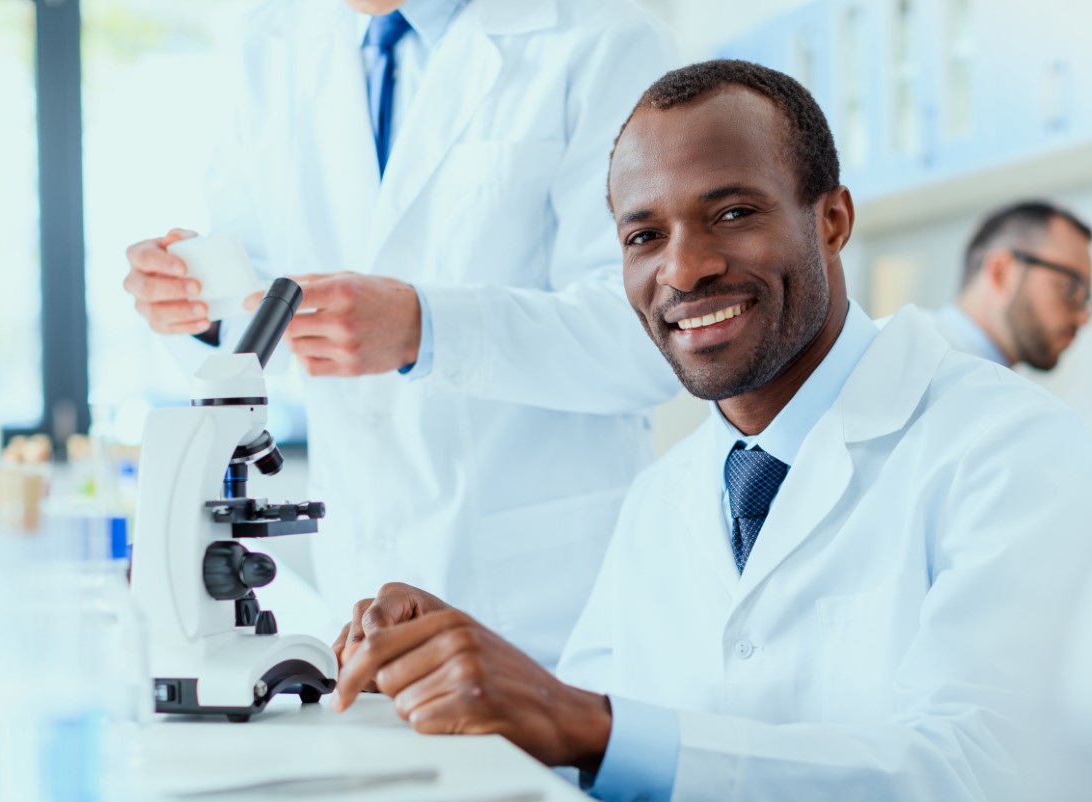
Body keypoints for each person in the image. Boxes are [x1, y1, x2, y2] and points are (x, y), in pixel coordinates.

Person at [329, 61, 1092, 802]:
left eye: (732, 213)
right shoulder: (664, 497)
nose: (684, 269)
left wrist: (586, 725)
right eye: (642, 236)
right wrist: (452, 681)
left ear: (833, 219)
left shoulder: (1009, 448)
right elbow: (592, 773)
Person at [121, 0, 679, 670]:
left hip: (546, 609)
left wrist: (429, 330)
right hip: (359, 588)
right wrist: (198, 307)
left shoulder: (605, 41)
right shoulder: (274, 42)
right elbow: (258, 293)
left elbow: (651, 335)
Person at [934, 200, 1092, 371]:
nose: (1083, 318)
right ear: (1001, 272)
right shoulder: (919, 358)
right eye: (1071, 289)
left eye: (1086, 300)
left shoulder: (988, 380)